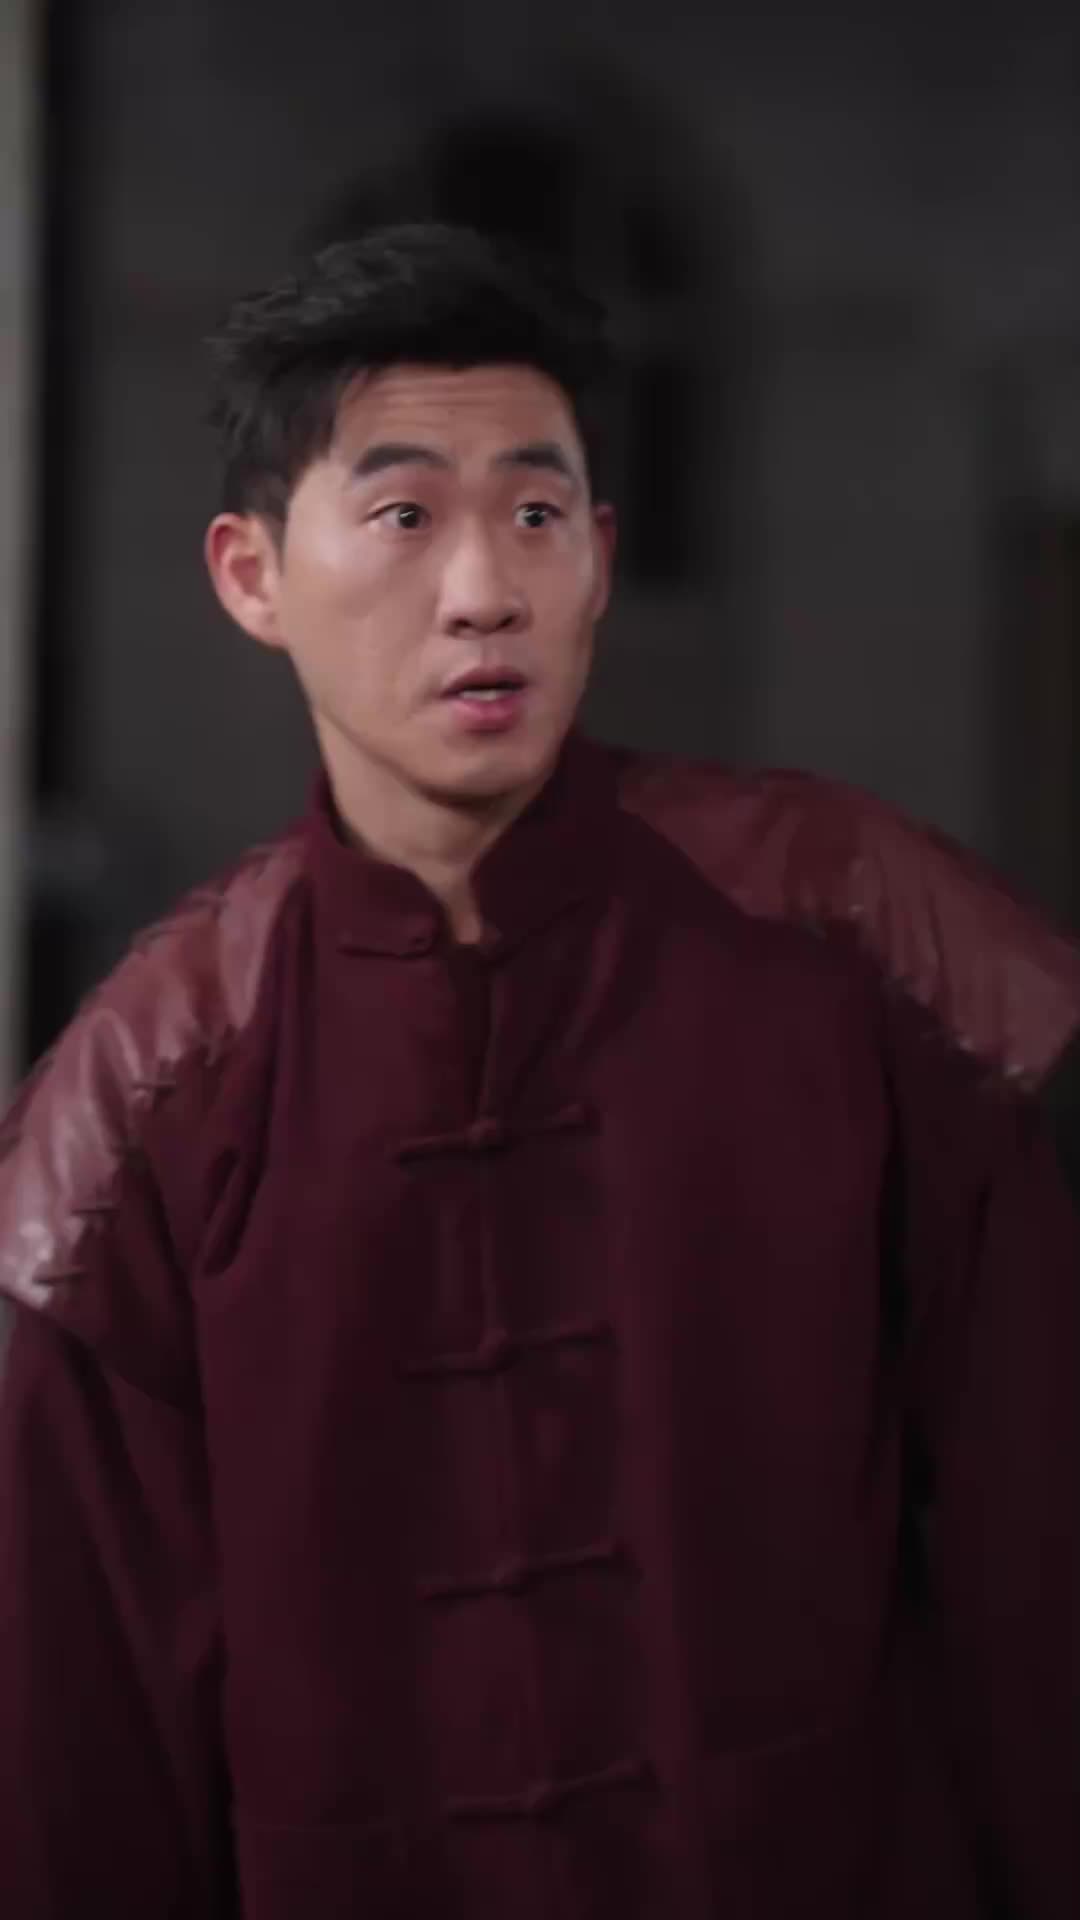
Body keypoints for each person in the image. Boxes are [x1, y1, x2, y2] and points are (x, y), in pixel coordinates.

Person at [0, 223, 1077, 1920]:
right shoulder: (145, 1090)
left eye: (535, 514)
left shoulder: (855, 932)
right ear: (252, 577)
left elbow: (1042, 1557)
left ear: (599, 560)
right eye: (404, 516)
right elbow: (83, 1748)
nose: (484, 589)